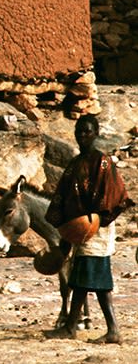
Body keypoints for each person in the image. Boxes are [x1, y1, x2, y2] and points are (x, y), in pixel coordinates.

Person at [45, 113, 130, 344]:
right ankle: (78, 327)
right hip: (80, 228)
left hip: (97, 226)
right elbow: (64, 196)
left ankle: (100, 329)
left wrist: (95, 220)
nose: (82, 135)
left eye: (87, 131)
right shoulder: (75, 164)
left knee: (91, 276)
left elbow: (115, 195)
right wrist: (66, 230)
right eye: (79, 131)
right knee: (84, 277)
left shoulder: (103, 162)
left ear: (96, 134)